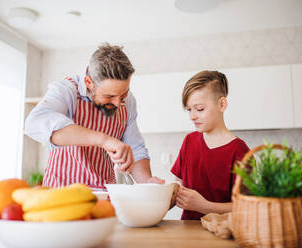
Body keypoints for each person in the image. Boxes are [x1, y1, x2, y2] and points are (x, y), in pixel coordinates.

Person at [25, 43, 164, 189]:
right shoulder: (67, 91)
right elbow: (35, 122)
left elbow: (135, 149)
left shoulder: (128, 102)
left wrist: (147, 182)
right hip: (61, 196)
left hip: (105, 196)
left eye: (123, 94)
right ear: (88, 82)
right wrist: (104, 140)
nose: (118, 103)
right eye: (109, 96)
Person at [170, 70, 249, 220]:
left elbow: (246, 207)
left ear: (222, 104)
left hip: (222, 234)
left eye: (200, 109)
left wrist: (203, 206)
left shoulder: (240, 151)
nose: (192, 116)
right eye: (189, 110)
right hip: (187, 232)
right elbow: (178, 185)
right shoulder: (189, 141)